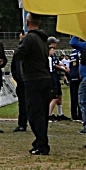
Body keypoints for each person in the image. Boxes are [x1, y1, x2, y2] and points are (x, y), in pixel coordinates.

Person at [18, 15, 55, 155]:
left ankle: (42, 143)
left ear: (27, 23)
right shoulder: (43, 39)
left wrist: (21, 42)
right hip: (45, 77)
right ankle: (40, 141)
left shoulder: (29, 38)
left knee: (33, 113)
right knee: (42, 113)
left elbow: (19, 55)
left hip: (33, 78)